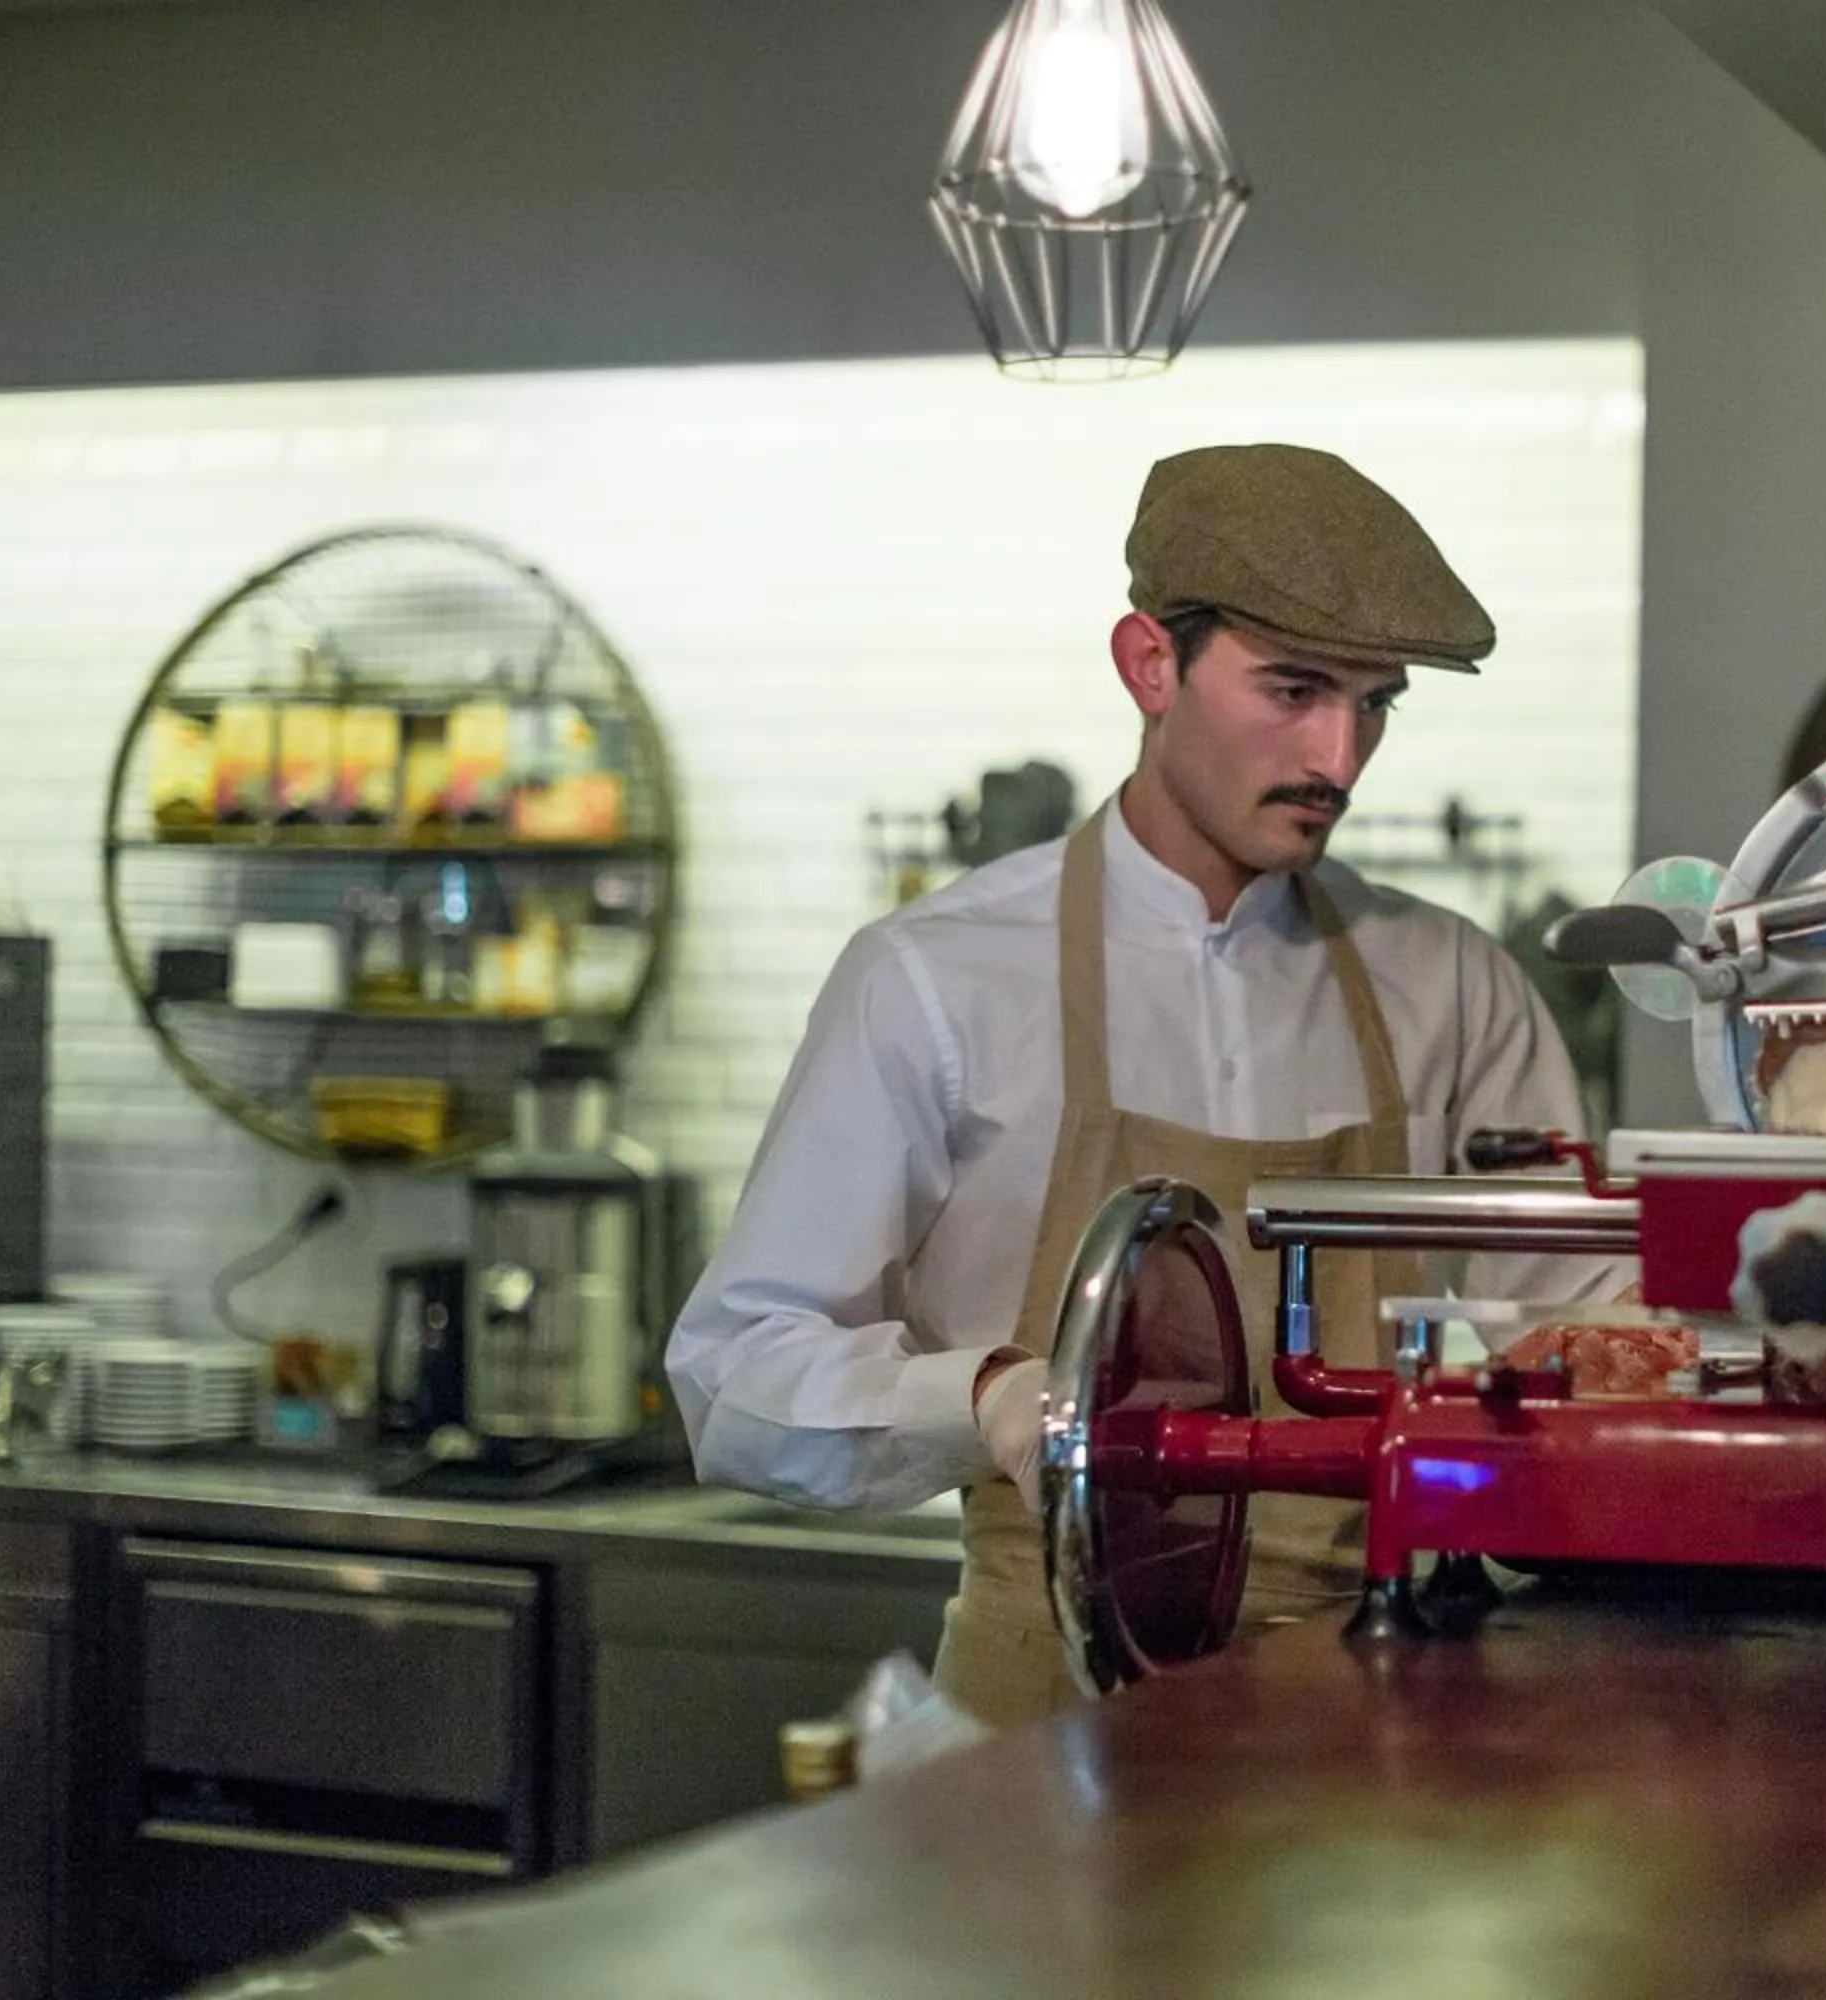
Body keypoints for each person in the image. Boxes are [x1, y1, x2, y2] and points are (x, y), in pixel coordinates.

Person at [665, 442, 1629, 1725]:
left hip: (1372, 1721)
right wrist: (989, 1396)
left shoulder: (1448, 984)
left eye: (1376, 702)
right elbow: (737, 1377)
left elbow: (1589, 1324)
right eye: (1292, 688)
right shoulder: (935, 979)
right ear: (1147, 664)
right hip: (1039, 1720)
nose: (1338, 757)